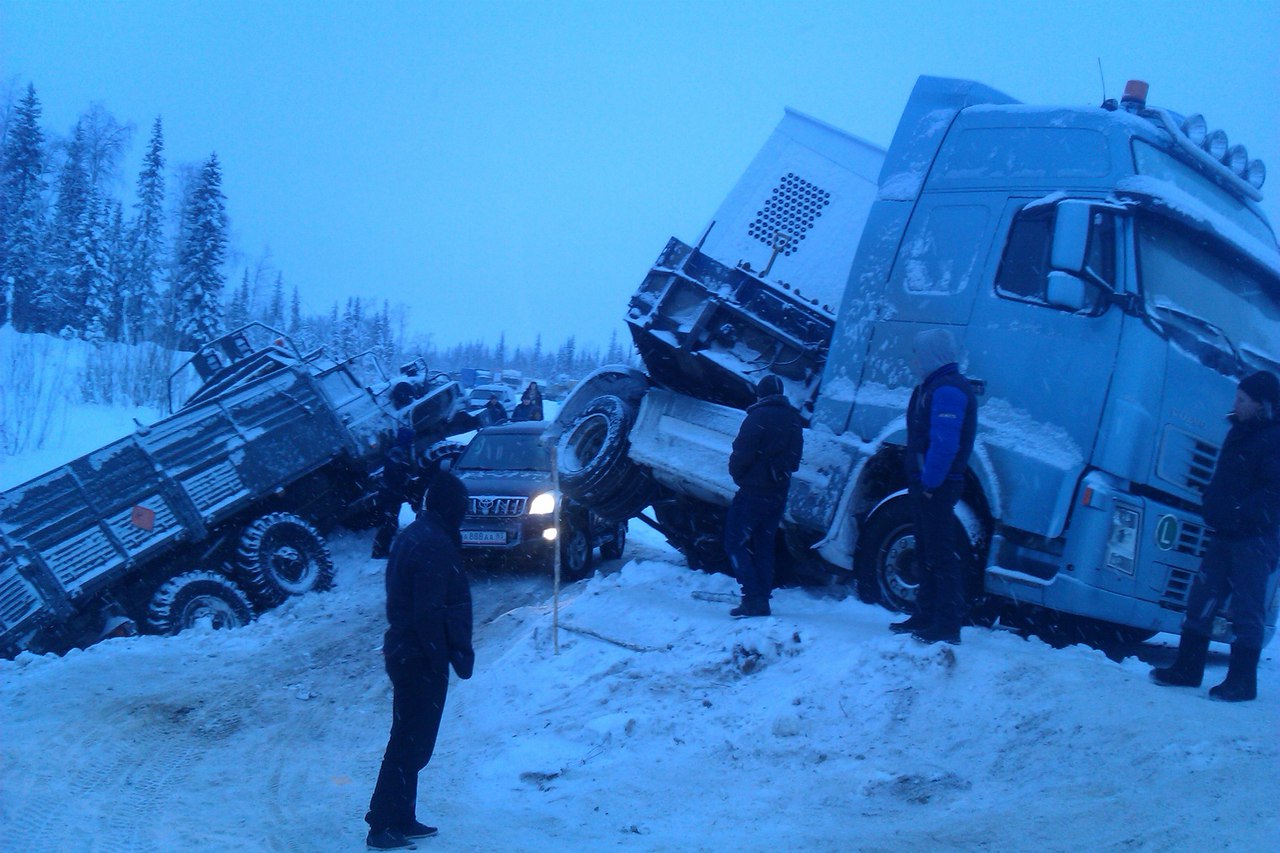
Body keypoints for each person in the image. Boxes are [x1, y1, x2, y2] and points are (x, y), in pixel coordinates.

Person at [1151, 370, 1280, 702]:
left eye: (1242, 400)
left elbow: (1274, 492)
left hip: (1255, 538)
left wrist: (1241, 514)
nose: (1234, 404)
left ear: (1262, 405)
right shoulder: (1239, 430)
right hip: (1225, 532)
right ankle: (1188, 668)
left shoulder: (1275, 438)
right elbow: (1226, 477)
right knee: (1201, 598)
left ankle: (1242, 682)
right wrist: (1213, 502)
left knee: (1246, 607)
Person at [366, 472, 475, 850]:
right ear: (451, 509)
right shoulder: (433, 544)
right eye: (461, 508)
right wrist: (436, 656)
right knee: (409, 743)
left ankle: (402, 817)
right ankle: (382, 826)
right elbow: (428, 610)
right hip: (419, 655)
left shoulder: (415, 534)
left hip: (404, 649)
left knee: (412, 738)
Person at [892, 328, 978, 646]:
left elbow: (944, 444)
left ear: (932, 354)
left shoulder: (949, 391)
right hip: (926, 483)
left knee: (941, 554)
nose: (914, 361)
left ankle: (947, 625)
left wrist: (930, 482)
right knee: (927, 550)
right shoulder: (932, 386)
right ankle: (925, 615)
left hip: (937, 485)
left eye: (917, 354)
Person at [724, 374, 804, 618]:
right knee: (764, 545)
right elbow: (795, 460)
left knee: (734, 542)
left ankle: (751, 595)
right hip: (778, 493)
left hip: (753, 492)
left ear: (761, 394)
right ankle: (762, 600)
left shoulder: (757, 417)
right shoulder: (793, 420)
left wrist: (740, 476)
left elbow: (741, 452)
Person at [371, 427, 416, 560]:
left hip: (390, 493)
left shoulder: (396, 450)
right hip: (390, 494)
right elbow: (396, 475)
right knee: (390, 523)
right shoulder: (398, 453)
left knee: (390, 522)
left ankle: (380, 550)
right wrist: (404, 482)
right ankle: (379, 551)